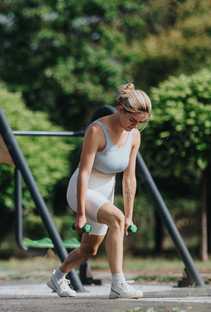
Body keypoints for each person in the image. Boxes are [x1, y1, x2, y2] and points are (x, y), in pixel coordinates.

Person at [47, 83, 151, 299]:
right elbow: (83, 172)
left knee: (89, 250)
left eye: (141, 122)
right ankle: (117, 284)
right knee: (116, 218)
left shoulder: (134, 136)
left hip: (106, 190)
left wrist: (130, 215)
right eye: (133, 120)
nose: (136, 126)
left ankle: (57, 277)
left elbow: (129, 178)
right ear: (121, 110)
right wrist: (81, 213)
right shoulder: (96, 130)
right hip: (82, 189)